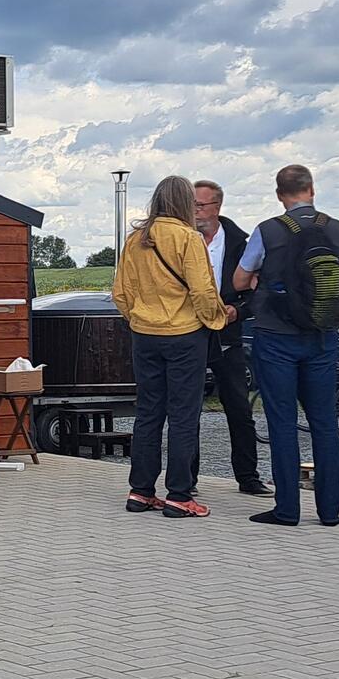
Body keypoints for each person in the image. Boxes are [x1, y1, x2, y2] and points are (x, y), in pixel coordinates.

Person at [234, 164, 339, 528]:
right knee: (324, 423)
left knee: (282, 422)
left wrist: (259, 280)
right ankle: (330, 510)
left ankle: (287, 509)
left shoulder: (268, 230)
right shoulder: (337, 228)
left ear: (278, 194)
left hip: (275, 335)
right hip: (321, 334)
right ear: (312, 189)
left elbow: (240, 278)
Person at [111, 176, 228, 520]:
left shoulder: (136, 240)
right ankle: (179, 494)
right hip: (184, 335)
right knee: (183, 415)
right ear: (183, 203)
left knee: (148, 413)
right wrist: (216, 320)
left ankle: (141, 491)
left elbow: (120, 292)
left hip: (144, 335)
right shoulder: (188, 238)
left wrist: (139, 318)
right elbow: (203, 291)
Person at [191, 180, 272, 497]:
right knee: (187, 408)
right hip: (189, 332)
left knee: (238, 406)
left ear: (217, 207)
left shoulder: (241, 242)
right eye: (192, 205)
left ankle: (248, 476)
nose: (196, 212)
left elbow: (259, 289)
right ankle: (187, 477)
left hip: (228, 333)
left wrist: (239, 311)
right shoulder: (180, 239)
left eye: (201, 205)